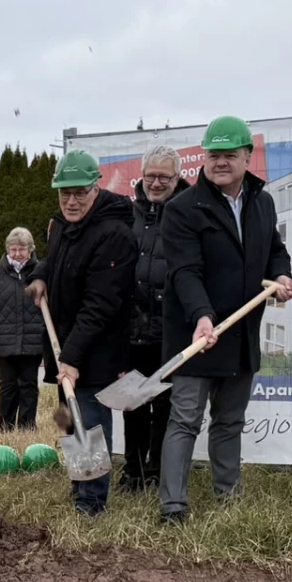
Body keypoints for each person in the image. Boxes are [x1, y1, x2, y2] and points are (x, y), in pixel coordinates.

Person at [157, 115, 292, 524]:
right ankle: (173, 506)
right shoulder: (182, 208)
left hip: (241, 334)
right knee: (184, 420)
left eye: (229, 155)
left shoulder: (261, 202)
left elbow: (275, 249)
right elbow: (185, 272)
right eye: (213, 154)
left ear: (247, 157)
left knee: (230, 421)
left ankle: (228, 495)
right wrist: (202, 316)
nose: (220, 162)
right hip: (196, 334)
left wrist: (282, 275)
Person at [28, 151, 136, 516]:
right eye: (65, 193)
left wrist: (72, 357)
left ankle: (92, 501)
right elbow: (55, 258)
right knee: (73, 422)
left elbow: (100, 305)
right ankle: (80, 486)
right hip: (66, 344)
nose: (71, 201)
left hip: (97, 349)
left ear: (95, 188)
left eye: (79, 193)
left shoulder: (114, 234)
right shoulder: (62, 224)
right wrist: (40, 275)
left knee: (90, 421)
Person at [121, 146, 189, 493]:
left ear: (177, 178)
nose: (156, 183)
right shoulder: (127, 214)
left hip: (171, 331)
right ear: (142, 176)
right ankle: (133, 472)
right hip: (133, 329)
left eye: (164, 177)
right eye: (151, 176)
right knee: (132, 403)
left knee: (164, 405)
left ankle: (158, 471)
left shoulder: (189, 212)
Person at [0, 227, 43, 430]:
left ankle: (27, 426)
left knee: (29, 384)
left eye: (21, 249)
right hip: (4, 340)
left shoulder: (39, 273)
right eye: (13, 249)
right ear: (7, 249)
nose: (17, 254)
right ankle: (5, 427)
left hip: (32, 340)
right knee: (8, 385)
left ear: (30, 250)